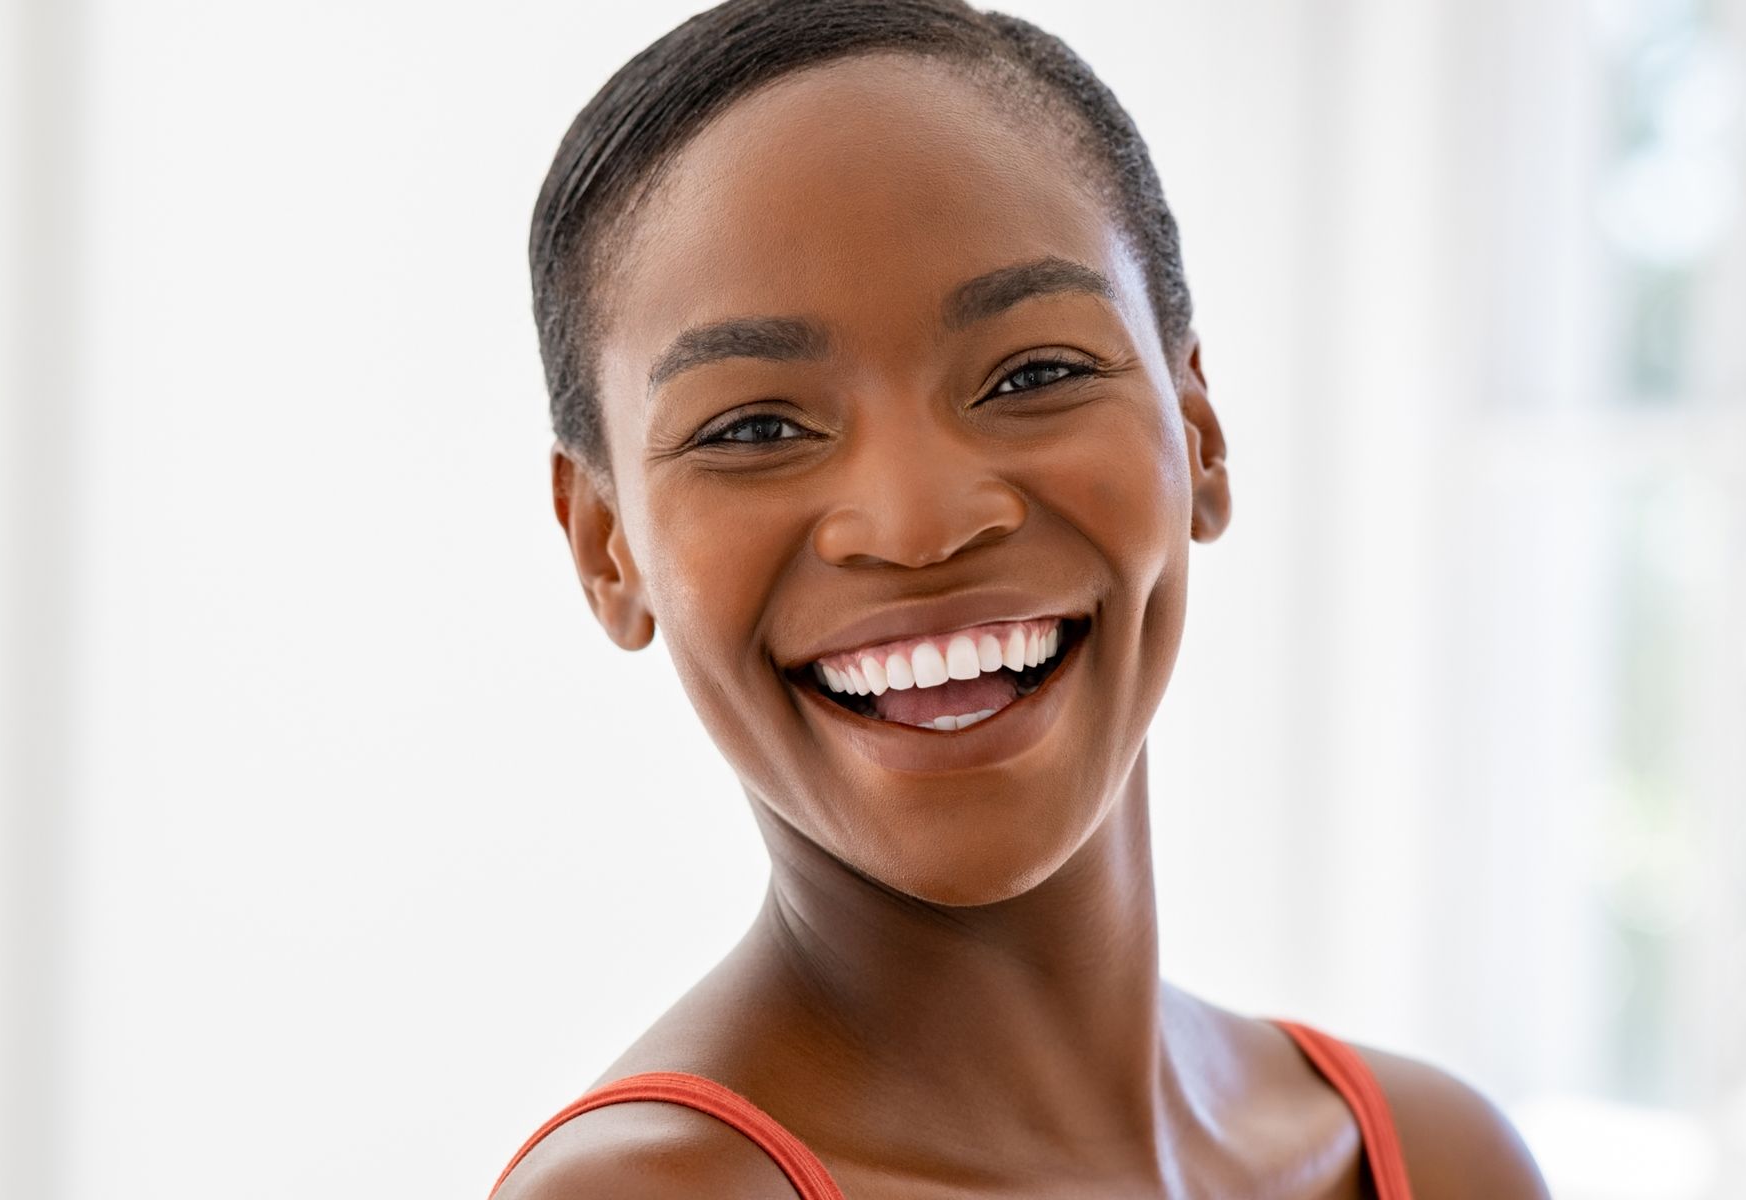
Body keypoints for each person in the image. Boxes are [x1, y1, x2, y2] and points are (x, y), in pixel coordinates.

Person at [492, 1, 1551, 1195]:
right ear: (604, 546)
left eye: (1034, 373)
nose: (918, 523)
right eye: (755, 427)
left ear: (1196, 431)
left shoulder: (1439, 1158)